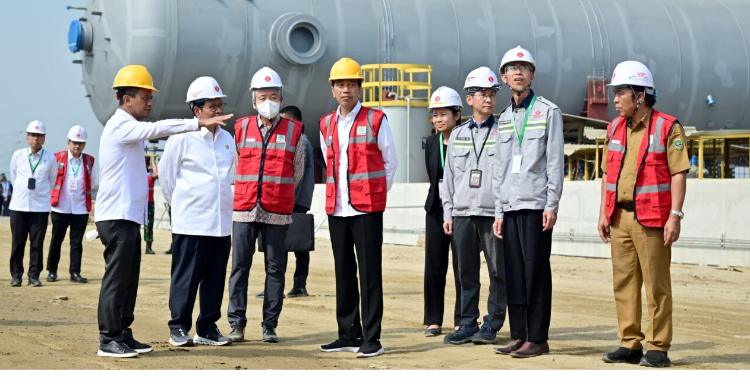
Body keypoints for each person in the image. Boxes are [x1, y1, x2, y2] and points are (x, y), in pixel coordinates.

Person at [95, 64, 232, 358]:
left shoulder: (130, 129)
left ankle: (123, 333)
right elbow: (158, 133)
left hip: (128, 217)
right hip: (117, 216)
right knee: (117, 281)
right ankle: (109, 338)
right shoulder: (120, 125)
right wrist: (196, 125)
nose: (150, 103)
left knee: (128, 281)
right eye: (145, 98)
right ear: (127, 99)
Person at [598, 61, 689, 368]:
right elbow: (607, 176)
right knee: (623, 283)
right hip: (619, 218)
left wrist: (675, 215)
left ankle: (658, 347)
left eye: (620, 92)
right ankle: (629, 343)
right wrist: (603, 213)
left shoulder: (667, 126)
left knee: (656, 285)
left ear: (639, 96)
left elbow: (678, 173)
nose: (615, 99)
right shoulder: (613, 127)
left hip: (652, 219)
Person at [318, 58, 398, 359]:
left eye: (351, 84)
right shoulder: (326, 123)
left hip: (366, 209)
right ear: (333, 89)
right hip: (337, 209)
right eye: (340, 84)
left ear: (359, 87)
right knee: (343, 272)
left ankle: (372, 338)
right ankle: (347, 334)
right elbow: (330, 163)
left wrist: (374, 194)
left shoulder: (376, 119)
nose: (346, 89)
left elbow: (390, 162)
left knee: (369, 273)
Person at [492, 46, 565, 358]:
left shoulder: (549, 112)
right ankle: (519, 334)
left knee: (535, 271)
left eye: (523, 67)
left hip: (536, 206)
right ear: (504, 77)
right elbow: (500, 168)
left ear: (532, 75)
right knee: (514, 272)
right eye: (512, 67)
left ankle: (538, 337)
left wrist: (552, 204)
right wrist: (498, 210)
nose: (518, 72)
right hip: (510, 207)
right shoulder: (504, 118)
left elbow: (554, 163)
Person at [227, 67, 305, 344]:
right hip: (244, 208)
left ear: (281, 99)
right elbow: (235, 166)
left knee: (275, 270)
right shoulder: (240, 128)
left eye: (273, 96)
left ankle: (269, 325)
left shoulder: (294, 131)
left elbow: (297, 171)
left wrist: (276, 192)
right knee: (239, 268)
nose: (268, 101)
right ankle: (236, 324)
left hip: (277, 211)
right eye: (263, 96)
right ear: (253, 100)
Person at [160, 77, 235, 348]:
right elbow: (167, 179)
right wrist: (181, 206)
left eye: (220, 104)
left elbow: (232, 177)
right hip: (191, 221)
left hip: (220, 220)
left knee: (215, 277)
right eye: (211, 106)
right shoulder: (181, 137)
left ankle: (207, 327)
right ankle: (178, 327)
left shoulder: (227, 139)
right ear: (196, 110)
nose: (217, 110)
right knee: (186, 278)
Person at [442, 67, 507, 347]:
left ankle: (492, 323)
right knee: (465, 271)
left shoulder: (504, 131)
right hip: (462, 213)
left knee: (497, 271)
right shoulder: (457, 135)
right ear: (469, 99)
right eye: (482, 94)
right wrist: (448, 212)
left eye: (492, 94)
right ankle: (468, 322)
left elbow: (506, 175)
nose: (488, 99)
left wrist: (502, 212)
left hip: (491, 213)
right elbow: (450, 177)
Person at [256, 105, 315, 300]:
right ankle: (284, 285)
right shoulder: (299, 141)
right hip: (294, 199)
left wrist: (285, 198)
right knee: (292, 243)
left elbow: (296, 174)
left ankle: (296, 285)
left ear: (295, 122)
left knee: (295, 243)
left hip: (294, 199)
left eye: (284, 121)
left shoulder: (302, 142)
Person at [423, 87, 463, 337]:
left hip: (462, 210)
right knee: (434, 265)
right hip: (436, 209)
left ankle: (463, 318)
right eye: (435, 115)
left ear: (457, 115)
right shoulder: (431, 142)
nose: (438, 119)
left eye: (443, 114)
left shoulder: (467, 139)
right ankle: (433, 320)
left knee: (462, 265)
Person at [8, 120, 57, 288]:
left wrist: (38, 194)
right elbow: (14, 177)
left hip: (40, 208)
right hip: (19, 206)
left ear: (44, 139)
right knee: (18, 242)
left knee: (37, 243)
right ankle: (16, 275)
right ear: (27, 137)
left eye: (39, 136)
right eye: (33, 135)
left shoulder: (50, 157)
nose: (35, 139)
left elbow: (51, 181)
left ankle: (34, 275)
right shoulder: (18, 155)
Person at [47, 126, 96, 284]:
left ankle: (75, 272)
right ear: (68, 143)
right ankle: (52, 271)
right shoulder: (57, 158)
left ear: (84, 145)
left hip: (80, 208)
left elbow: (92, 182)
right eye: (74, 142)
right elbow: (50, 179)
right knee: (56, 239)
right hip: (60, 206)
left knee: (76, 242)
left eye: (80, 143)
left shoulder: (89, 161)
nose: (77, 146)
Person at [144, 155, 158, 255]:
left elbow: (156, 175)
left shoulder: (150, 174)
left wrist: (153, 161)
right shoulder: (138, 172)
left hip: (149, 202)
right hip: (139, 202)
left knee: (149, 225)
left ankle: (148, 247)